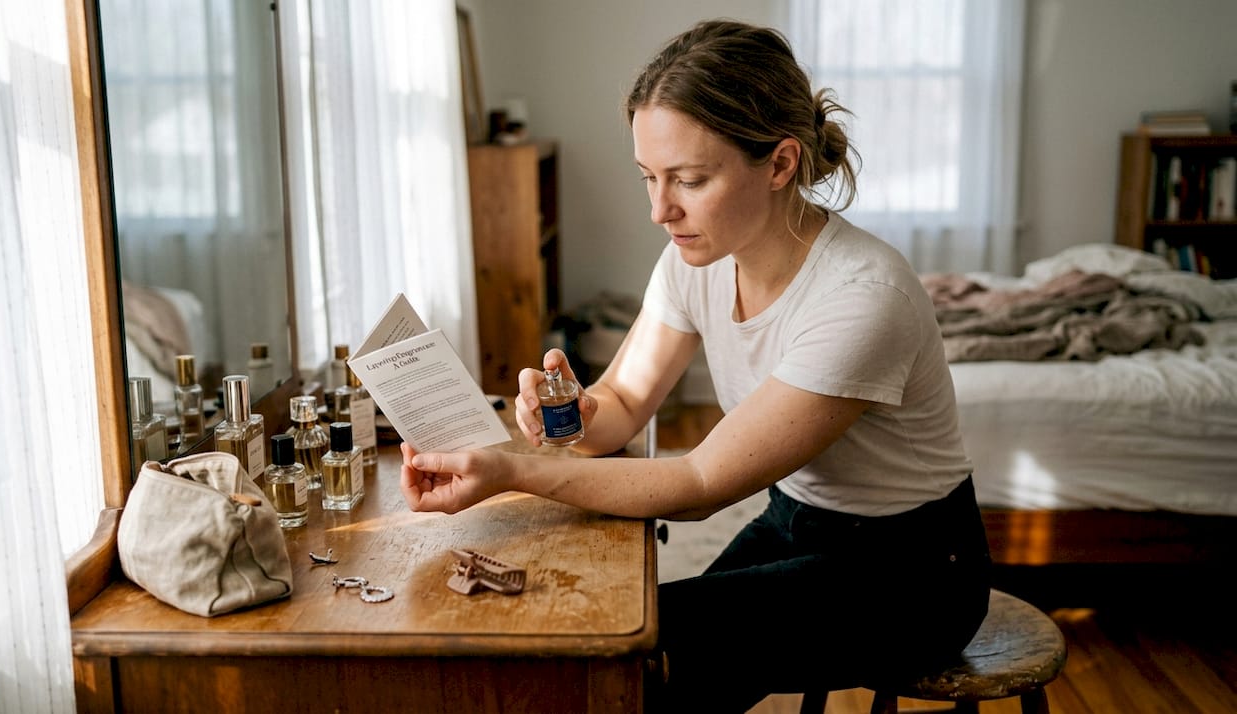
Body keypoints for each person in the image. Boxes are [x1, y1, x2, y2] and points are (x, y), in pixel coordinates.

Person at [401, 18, 991, 712]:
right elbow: (619, 404)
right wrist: (568, 415)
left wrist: (509, 473)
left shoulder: (864, 297)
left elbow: (701, 482)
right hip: (797, 517)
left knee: (641, 651)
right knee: (631, 637)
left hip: (911, 572)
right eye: (650, 177)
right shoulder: (698, 259)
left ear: (779, 163)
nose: (660, 209)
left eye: (688, 179)